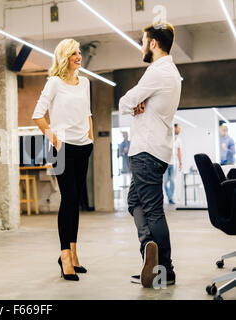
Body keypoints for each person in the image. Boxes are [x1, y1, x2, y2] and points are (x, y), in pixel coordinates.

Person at [118, 22, 182, 288]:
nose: (142, 46)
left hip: (146, 151)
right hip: (156, 150)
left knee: (153, 211)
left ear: (153, 43)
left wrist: (134, 105)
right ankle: (151, 252)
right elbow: (134, 103)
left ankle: (162, 268)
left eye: (143, 41)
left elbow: (124, 102)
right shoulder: (171, 71)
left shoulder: (157, 71)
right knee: (134, 201)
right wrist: (137, 105)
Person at [32, 39, 94, 281]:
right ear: (64, 57)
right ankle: (64, 256)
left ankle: (74, 255)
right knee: (68, 199)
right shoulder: (54, 83)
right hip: (62, 149)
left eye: (79, 53)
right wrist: (54, 138)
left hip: (83, 148)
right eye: (74, 54)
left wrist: (90, 137)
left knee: (75, 201)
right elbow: (38, 115)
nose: (79, 57)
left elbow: (88, 113)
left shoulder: (85, 82)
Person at [163, 124, 182, 204]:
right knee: (165, 182)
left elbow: (179, 151)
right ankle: (169, 196)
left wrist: (181, 162)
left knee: (172, 180)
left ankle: (170, 198)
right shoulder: (167, 138)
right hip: (165, 162)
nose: (179, 130)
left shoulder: (178, 140)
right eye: (178, 128)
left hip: (174, 163)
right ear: (174, 128)